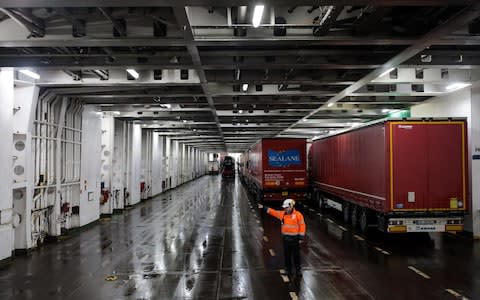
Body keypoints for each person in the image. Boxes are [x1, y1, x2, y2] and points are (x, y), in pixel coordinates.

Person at [258, 199, 306, 277]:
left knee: (296, 256)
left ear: (291, 206)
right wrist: (263, 207)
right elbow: (273, 212)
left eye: (287, 207)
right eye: (285, 208)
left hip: (295, 239)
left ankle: (298, 271)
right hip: (286, 240)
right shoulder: (282, 214)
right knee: (287, 255)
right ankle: (288, 270)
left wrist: (301, 238)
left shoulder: (298, 215)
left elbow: (302, 226)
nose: (285, 209)